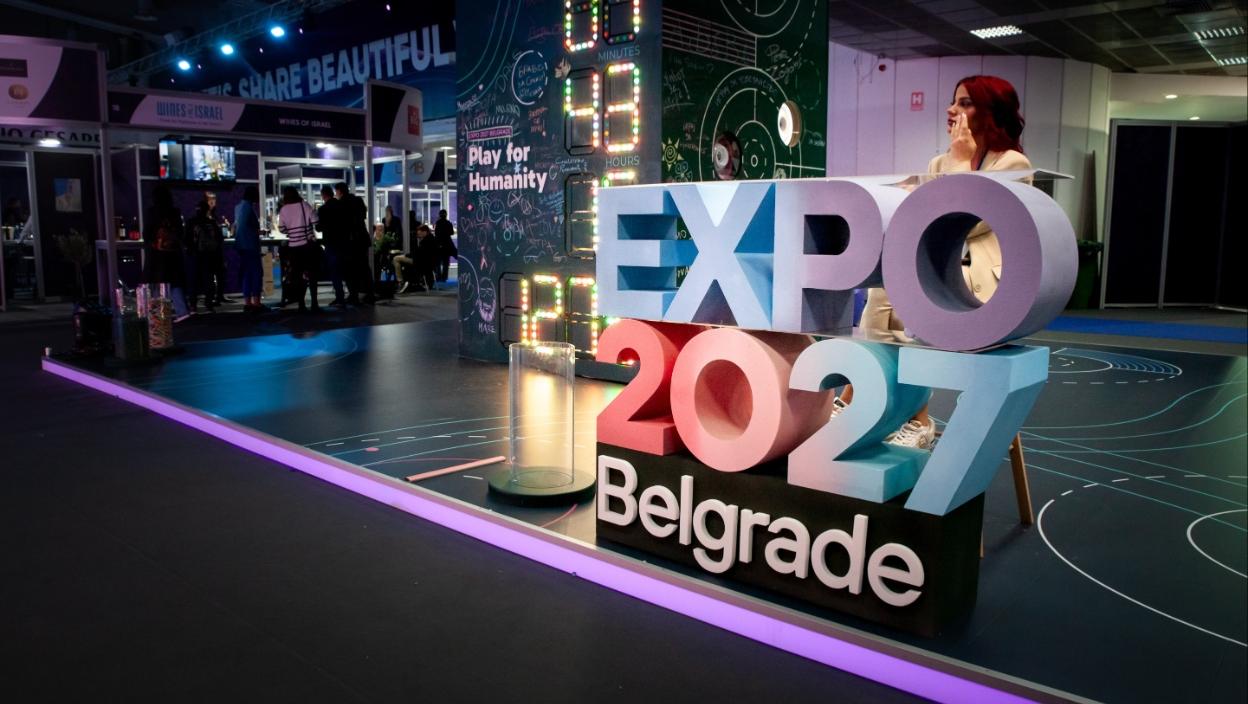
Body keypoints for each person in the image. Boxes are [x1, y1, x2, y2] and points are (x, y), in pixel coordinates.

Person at [853, 74, 1031, 449]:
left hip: (978, 286)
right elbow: (923, 219)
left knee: (910, 308)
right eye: (953, 101)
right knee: (883, 291)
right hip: (938, 270)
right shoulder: (939, 162)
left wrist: (962, 163)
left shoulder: (1013, 163)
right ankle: (886, 405)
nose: (951, 110)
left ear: (990, 112)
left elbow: (969, 222)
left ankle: (899, 411)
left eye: (964, 103)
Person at [143, 184, 190, 321]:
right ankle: (182, 312)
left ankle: (159, 317)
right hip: (173, 255)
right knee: (175, 284)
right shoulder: (175, 212)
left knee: (157, 285)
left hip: (156, 256)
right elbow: (181, 233)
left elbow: (147, 234)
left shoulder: (152, 212)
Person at [277, 186, 321, 312]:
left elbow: (282, 229)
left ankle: (301, 304)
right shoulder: (304, 205)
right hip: (307, 246)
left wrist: (291, 231)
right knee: (312, 275)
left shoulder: (284, 209)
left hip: (294, 248)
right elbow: (315, 221)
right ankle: (314, 303)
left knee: (297, 277)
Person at [335, 182, 375, 304]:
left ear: (339, 191)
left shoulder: (341, 204)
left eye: (336, 192)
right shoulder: (358, 200)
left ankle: (353, 294)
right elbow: (363, 215)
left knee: (349, 269)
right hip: (362, 239)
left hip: (350, 241)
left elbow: (341, 223)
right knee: (364, 267)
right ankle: (370, 293)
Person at [185, 200, 221, 312]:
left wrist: (189, 250)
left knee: (193, 281)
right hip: (209, 256)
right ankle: (209, 303)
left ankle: (193, 305)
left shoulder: (191, 222)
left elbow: (186, 239)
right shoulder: (212, 223)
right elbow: (219, 239)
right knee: (209, 280)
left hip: (194, 255)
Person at [233, 186, 264, 312]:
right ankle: (257, 303)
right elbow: (249, 227)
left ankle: (248, 303)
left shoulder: (238, 207)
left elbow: (239, 226)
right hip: (251, 245)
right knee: (256, 273)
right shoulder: (249, 208)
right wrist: (258, 232)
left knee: (246, 274)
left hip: (241, 245)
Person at [316, 185, 348, 306]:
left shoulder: (323, 209)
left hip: (331, 243)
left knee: (334, 271)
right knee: (343, 269)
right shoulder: (342, 206)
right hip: (343, 242)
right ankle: (345, 295)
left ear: (323, 195)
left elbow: (319, 228)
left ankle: (339, 297)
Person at [433, 209, 457, 284]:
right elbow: (451, 232)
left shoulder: (438, 223)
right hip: (447, 245)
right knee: (445, 263)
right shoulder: (448, 223)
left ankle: (438, 277)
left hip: (438, 245)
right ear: (446, 215)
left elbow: (436, 233)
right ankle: (444, 277)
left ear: (439, 215)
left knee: (438, 262)